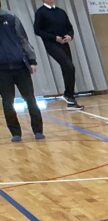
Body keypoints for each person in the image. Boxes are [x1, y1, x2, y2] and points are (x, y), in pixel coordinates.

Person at [0, 10, 44, 142]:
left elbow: (23, 39)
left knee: (30, 99)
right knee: (8, 102)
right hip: (2, 71)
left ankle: (38, 130)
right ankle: (15, 133)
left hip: (20, 67)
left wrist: (32, 60)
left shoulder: (11, 17)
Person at [32, 1, 80, 109]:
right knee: (68, 66)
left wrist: (70, 36)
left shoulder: (61, 11)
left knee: (68, 68)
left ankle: (71, 101)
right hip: (51, 44)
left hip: (64, 43)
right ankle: (68, 95)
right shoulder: (41, 12)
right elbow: (37, 30)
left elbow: (69, 27)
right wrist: (54, 37)